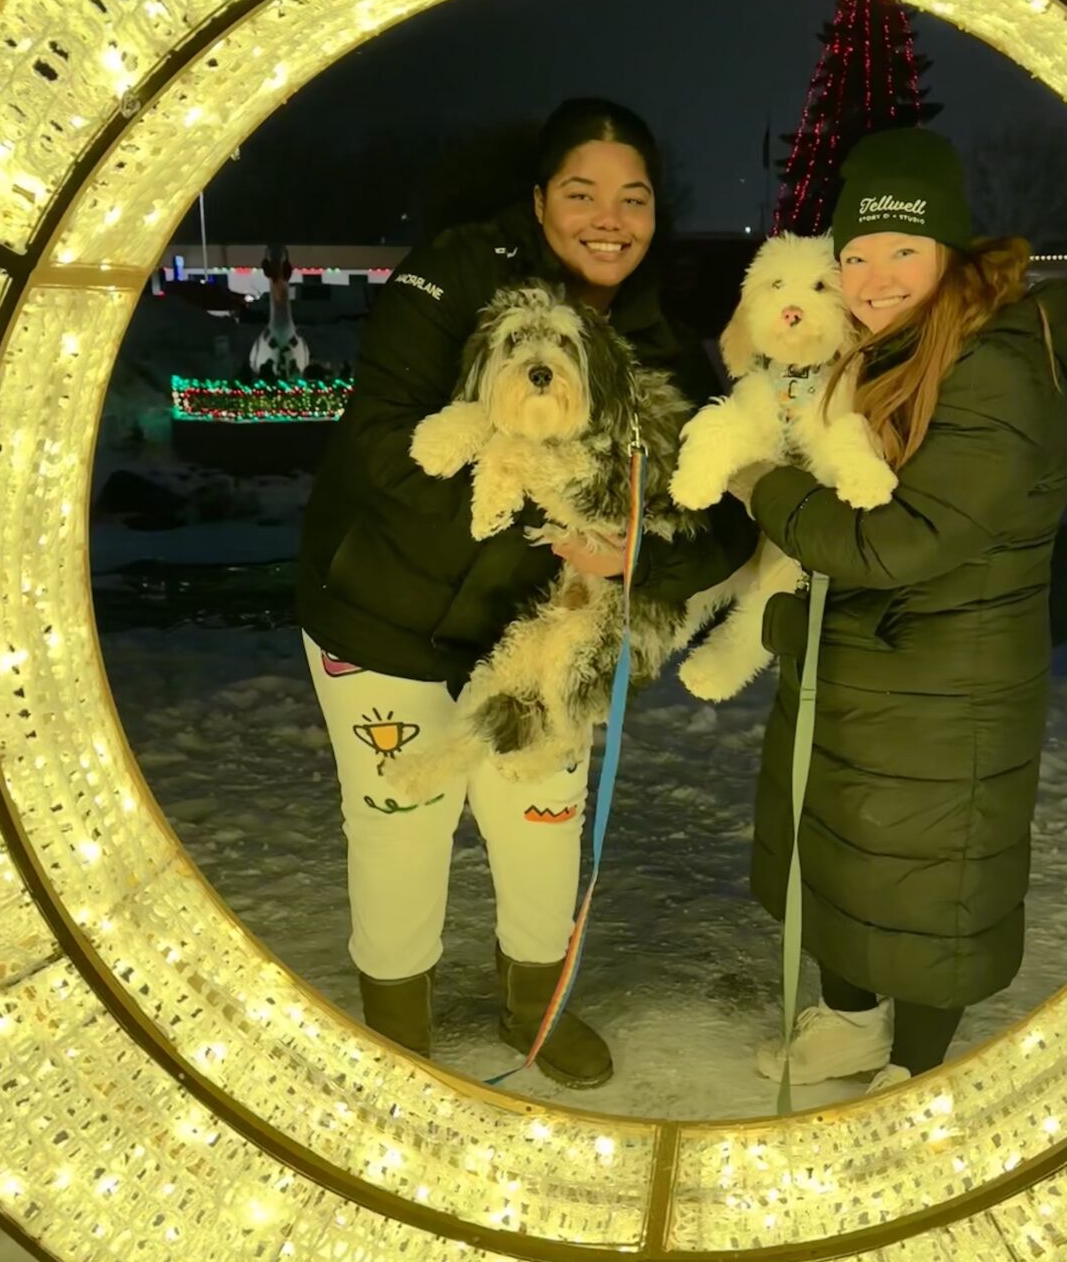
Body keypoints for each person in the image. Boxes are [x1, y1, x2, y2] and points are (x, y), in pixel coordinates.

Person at [297, 98, 756, 1086]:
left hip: (540, 639)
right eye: (582, 191)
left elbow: (717, 516)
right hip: (386, 617)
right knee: (399, 826)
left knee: (542, 818)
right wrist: (548, 514)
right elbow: (384, 443)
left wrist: (633, 554)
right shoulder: (456, 273)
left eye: (631, 197)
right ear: (541, 199)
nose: (608, 216)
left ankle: (532, 1003)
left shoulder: (653, 335)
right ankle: (398, 1032)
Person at [744, 127, 1067, 1093]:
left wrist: (759, 484)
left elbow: (895, 542)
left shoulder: (999, 368)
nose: (875, 275)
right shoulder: (881, 351)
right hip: (868, 672)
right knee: (849, 864)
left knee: (933, 883)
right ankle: (852, 1026)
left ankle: (917, 1064)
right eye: (856, 254)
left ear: (951, 252)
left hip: (950, 692)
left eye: (904, 250)